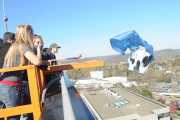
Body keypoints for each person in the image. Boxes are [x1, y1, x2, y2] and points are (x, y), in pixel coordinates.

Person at [0, 25, 42, 120]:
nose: (33, 37)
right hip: (11, 87)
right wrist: (39, 50)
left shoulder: (15, 46)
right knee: (14, 117)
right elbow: (37, 61)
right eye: (32, 34)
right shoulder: (23, 45)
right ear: (28, 34)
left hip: (6, 86)